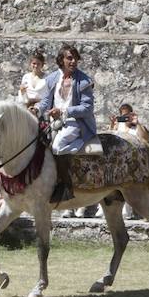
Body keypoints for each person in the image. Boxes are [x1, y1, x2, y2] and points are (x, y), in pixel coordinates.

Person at [37, 44, 97, 202]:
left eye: (75, 58)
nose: (73, 61)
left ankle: (65, 185)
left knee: (57, 146)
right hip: (53, 122)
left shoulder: (83, 81)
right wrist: (36, 110)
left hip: (76, 123)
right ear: (61, 60)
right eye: (69, 58)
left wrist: (64, 112)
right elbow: (45, 101)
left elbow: (87, 108)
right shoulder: (52, 79)